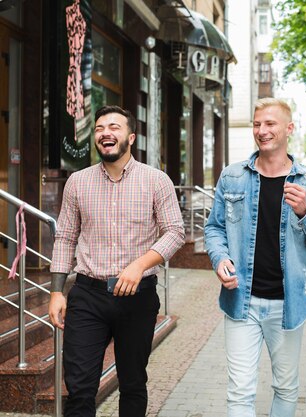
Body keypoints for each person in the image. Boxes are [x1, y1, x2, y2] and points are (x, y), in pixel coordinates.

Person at [48, 105, 185, 417]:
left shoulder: (156, 180)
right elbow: (66, 236)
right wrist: (56, 291)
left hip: (137, 297)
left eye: (114, 127)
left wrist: (140, 265)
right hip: (87, 296)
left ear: (131, 137)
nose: (105, 133)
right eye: (99, 128)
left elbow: (175, 232)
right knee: (80, 387)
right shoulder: (78, 182)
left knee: (133, 383)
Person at [204, 98, 306, 416]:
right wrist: (220, 259)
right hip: (240, 301)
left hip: (288, 305)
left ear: (289, 129)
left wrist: (305, 211)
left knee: (286, 388)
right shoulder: (232, 176)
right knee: (239, 392)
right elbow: (214, 229)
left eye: (270, 124)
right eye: (256, 123)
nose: (261, 131)